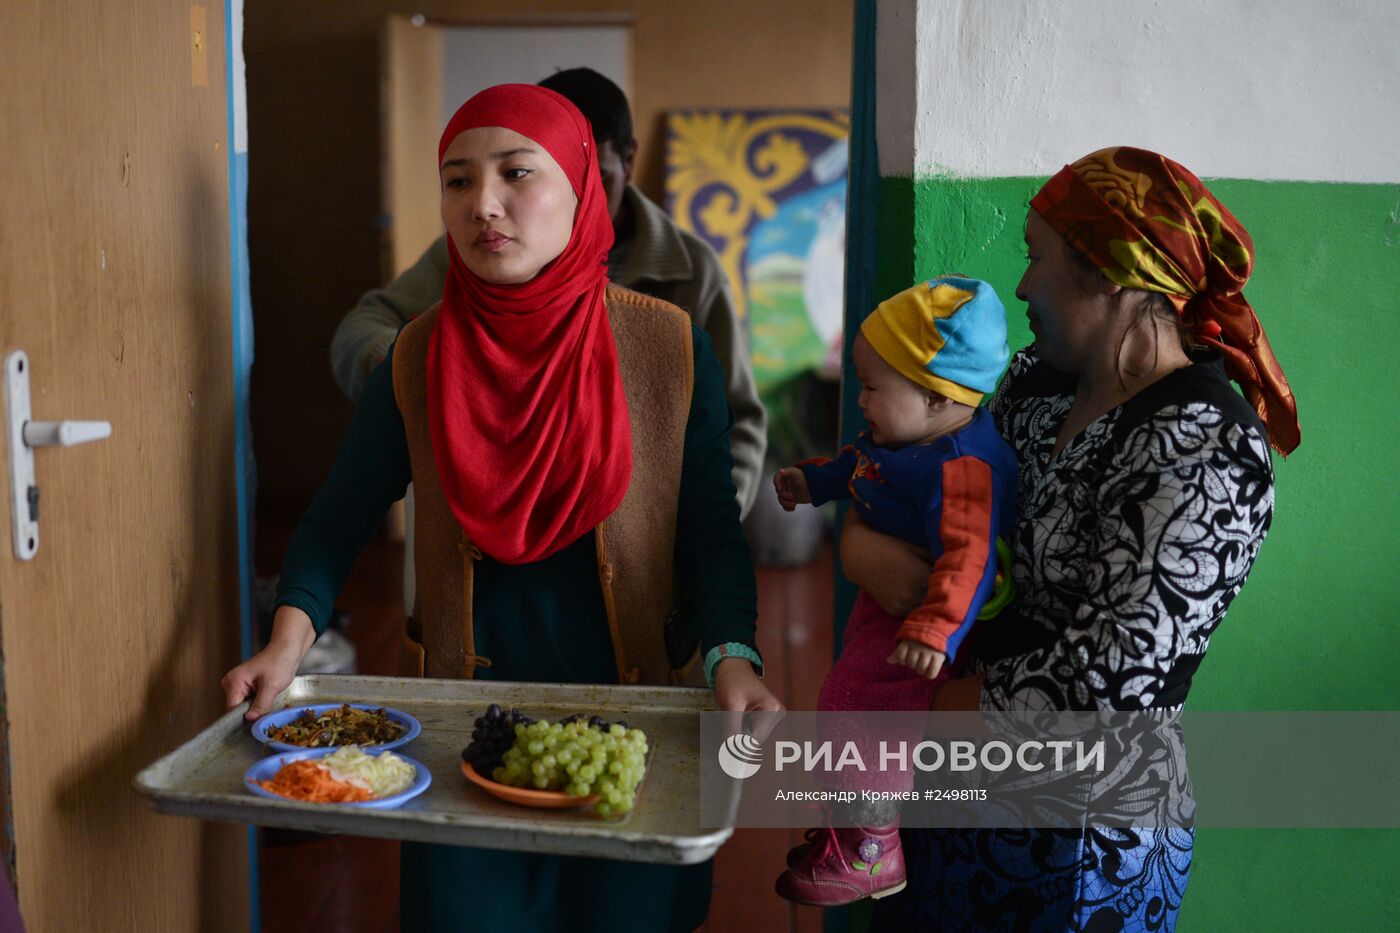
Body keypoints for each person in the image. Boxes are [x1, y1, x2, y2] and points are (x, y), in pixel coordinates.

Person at [223, 83, 781, 933]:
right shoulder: (415, 360)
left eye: (517, 173)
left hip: (629, 727)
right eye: (456, 181)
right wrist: (285, 642)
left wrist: (732, 656)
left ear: (584, 187)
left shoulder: (666, 347)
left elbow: (707, 531)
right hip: (464, 735)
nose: (483, 205)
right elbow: (337, 520)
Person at [840, 147, 1295, 931]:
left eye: (1036, 257)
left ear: (1112, 273)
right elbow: (900, 478)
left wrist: (900, 720)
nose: (1019, 285)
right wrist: (861, 549)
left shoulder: (1204, 440)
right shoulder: (1033, 386)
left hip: (1078, 841)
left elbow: (1108, 682)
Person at [330, 67, 766, 519]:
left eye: (596, 174)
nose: (582, 193)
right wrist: (400, 369)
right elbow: (366, 328)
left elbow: (738, 423)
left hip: (639, 544)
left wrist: (701, 534)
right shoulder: (481, 254)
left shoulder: (690, 273)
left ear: (629, 160)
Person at [769, 276, 1018, 906]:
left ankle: (871, 848)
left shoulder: (963, 466)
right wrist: (812, 482)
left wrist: (936, 628)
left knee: (858, 706)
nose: (862, 400)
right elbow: (858, 464)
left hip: (927, 624)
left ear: (936, 397)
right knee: (851, 701)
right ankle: (849, 829)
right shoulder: (908, 439)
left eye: (874, 387)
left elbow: (971, 556)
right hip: (887, 606)